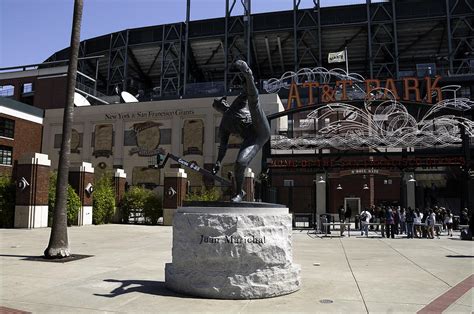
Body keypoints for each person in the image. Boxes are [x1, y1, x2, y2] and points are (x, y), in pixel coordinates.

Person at [212, 60, 271, 202]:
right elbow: (223, 146)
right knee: (239, 163)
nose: (224, 103)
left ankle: (248, 72)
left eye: (224, 101)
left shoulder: (237, 104)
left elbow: (249, 92)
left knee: (253, 103)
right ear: (219, 108)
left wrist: (247, 78)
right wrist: (218, 162)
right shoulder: (224, 125)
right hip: (252, 139)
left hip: (259, 127)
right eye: (220, 103)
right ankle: (240, 192)